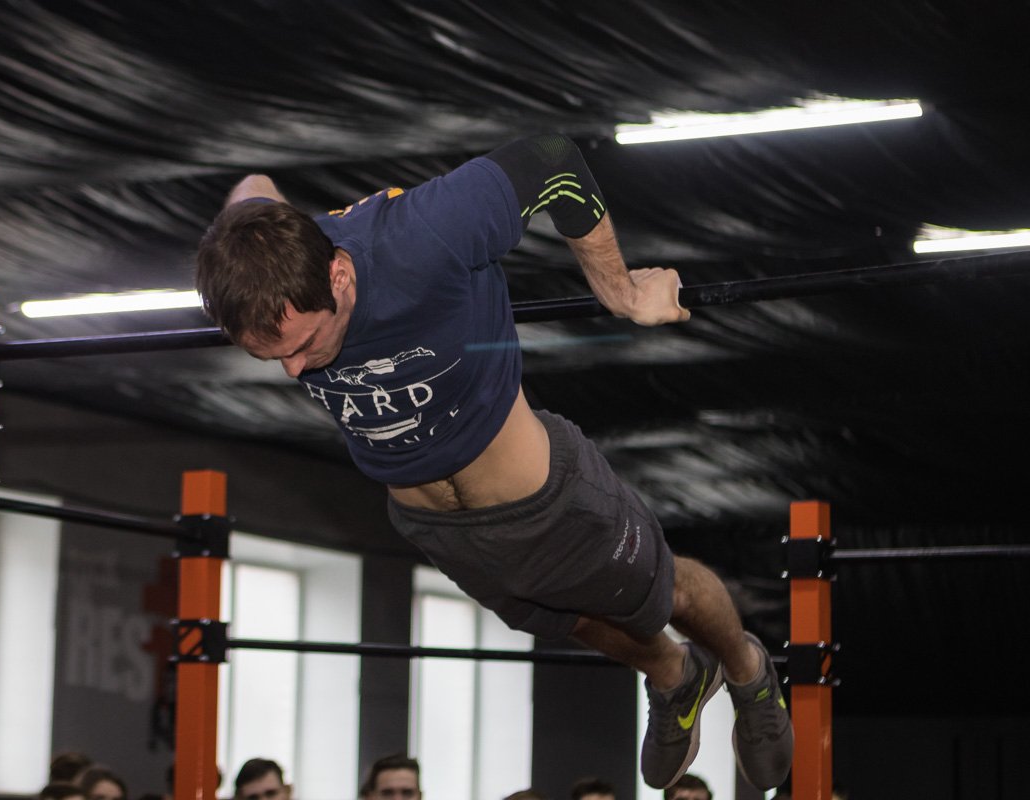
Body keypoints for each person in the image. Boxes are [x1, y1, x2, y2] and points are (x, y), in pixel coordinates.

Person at [196, 133, 793, 791]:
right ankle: (677, 676)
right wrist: (245, 217)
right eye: (269, 356)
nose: (293, 370)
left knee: (665, 591)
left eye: (304, 344)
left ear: (338, 275)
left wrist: (620, 292)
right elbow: (252, 186)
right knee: (573, 619)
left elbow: (553, 162)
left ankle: (747, 672)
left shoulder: (424, 232)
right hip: (431, 523)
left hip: (543, 495)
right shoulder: (264, 268)